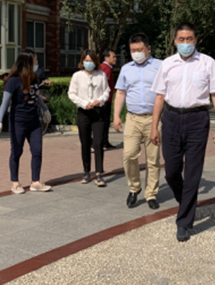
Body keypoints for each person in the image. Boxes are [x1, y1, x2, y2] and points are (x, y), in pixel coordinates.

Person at [150, 23, 215, 242]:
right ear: (175, 41)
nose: (186, 43)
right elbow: (159, 96)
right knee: (171, 171)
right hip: (171, 118)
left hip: (197, 119)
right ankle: (186, 199)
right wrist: (154, 126)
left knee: (193, 172)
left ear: (196, 40)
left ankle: (183, 222)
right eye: (181, 39)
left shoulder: (207, 63)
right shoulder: (167, 64)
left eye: (189, 39)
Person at [112, 34, 163, 210]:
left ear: (148, 49)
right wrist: (116, 116)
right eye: (133, 50)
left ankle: (151, 194)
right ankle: (134, 188)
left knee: (153, 158)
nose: (136, 53)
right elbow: (120, 92)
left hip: (153, 119)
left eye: (140, 49)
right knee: (129, 155)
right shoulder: (126, 69)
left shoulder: (160, 66)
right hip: (132, 118)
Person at [0, 51, 52, 194]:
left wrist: (45, 110)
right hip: (17, 121)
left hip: (34, 121)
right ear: (27, 63)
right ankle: (15, 183)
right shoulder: (13, 81)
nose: (37, 63)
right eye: (35, 60)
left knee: (37, 150)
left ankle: (35, 182)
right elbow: (5, 102)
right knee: (16, 152)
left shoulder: (34, 79)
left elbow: (36, 96)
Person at [68, 50, 110, 187]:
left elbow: (107, 91)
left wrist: (100, 100)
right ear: (82, 61)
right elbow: (71, 93)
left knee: (98, 143)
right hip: (83, 112)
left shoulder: (101, 75)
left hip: (98, 112)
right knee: (85, 143)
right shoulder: (77, 76)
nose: (88, 63)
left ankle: (99, 173)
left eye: (91, 60)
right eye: (86, 60)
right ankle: (86, 171)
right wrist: (83, 103)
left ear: (95, 61)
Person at [100, 49, 117, 150]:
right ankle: (102, 142)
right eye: (113, 57)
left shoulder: (107, 68)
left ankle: (105, 141)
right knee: (104, 121)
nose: (115, 59)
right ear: (106, 58)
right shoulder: (105, 68)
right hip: (105, 100)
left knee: (106, 121)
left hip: (107, 99)